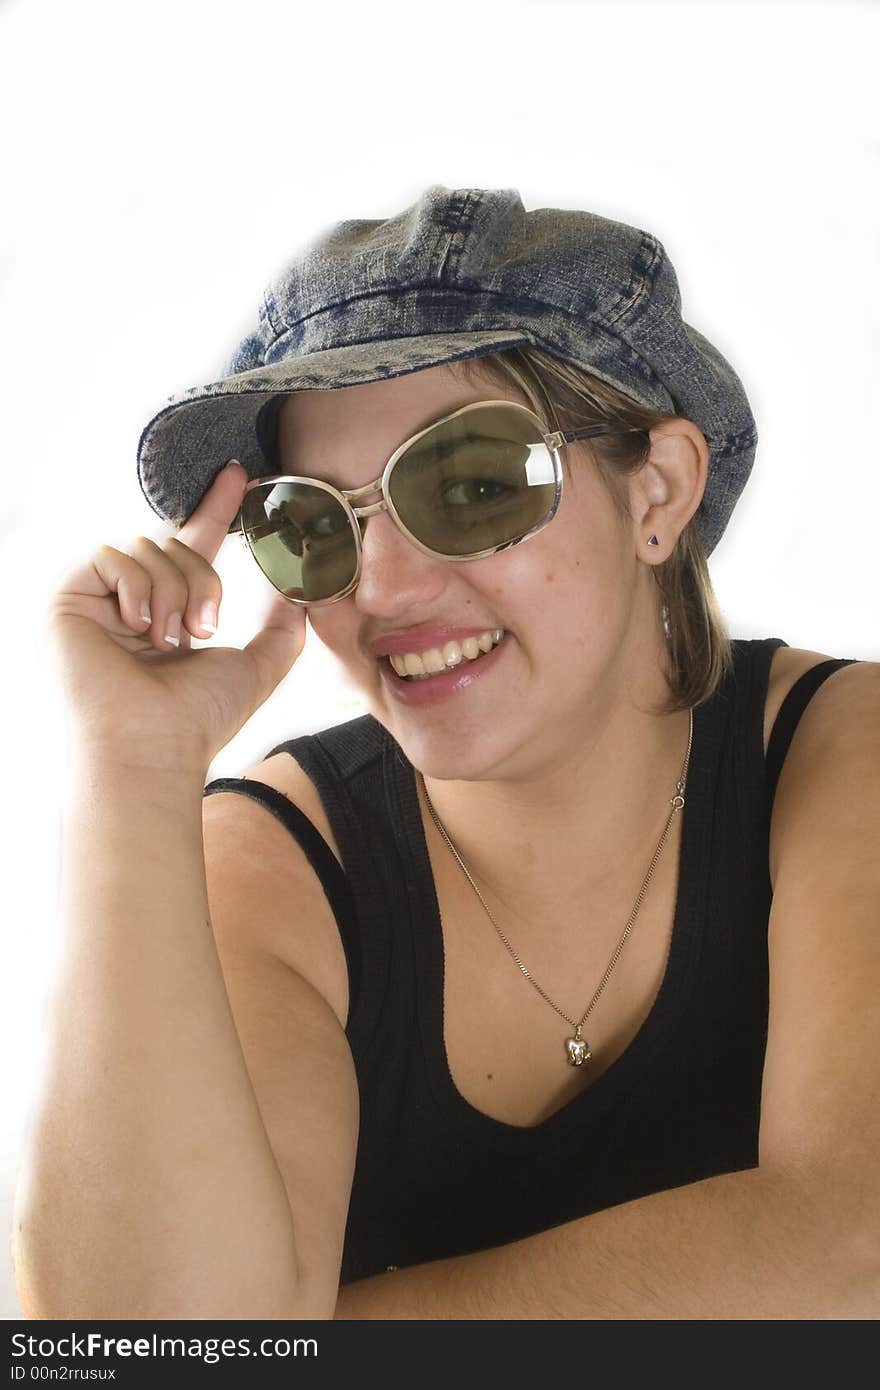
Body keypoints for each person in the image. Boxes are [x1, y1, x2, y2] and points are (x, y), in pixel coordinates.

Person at [14, 186, 879, 1320]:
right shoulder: (267, 874)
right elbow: (136, 1351)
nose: (382, 589)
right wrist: (131, 771)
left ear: (656, 491)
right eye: (309, 522)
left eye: (470, 485)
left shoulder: (839, 753)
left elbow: (853, 1249)